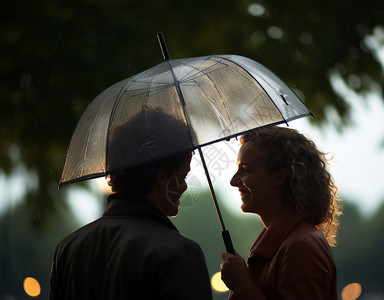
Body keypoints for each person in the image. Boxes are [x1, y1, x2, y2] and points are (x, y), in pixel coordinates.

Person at [49, 107, 212, 300]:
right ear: (161, 176)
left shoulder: (68, 250)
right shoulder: (179, 255)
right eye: (183, 175)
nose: (185, 186)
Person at [220, 126, 341, 300]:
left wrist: (243, 286)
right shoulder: (286, 244)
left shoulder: (302, 247)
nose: (233, 181)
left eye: (245, 170)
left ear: (278, 176)